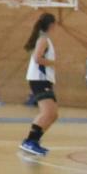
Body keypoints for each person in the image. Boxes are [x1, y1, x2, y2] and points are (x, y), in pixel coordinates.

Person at [19, 13, 59, 158]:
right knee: (47, 112)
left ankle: (34, 140)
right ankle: (29, 141)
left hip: (44, 80)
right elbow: (37, 58)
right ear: (51, 24)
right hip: (39, 79)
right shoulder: (43, 39)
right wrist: (54, 63)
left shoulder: (45, 39)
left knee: (53, 114)